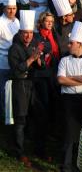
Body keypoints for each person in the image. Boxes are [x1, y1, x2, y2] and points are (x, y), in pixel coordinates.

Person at [56, 21, 82, 172]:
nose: (68, 46)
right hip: (68, 101)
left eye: (71, 43)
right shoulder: (64, 60)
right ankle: (66, 166)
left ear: (79, 44)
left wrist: (71, 79)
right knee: (68, 134)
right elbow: (60, 80)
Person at [8, 10, 43, 168]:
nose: (28, 36)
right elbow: (17, 70)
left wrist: (39, 60)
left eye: (30, 33)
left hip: (31, 86)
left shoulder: (33, 47)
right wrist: (31, 59)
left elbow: (38, 67)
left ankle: (35, 149)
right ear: (20, 33)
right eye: (25, 33)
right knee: (20, 119)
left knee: (35, 117)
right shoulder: (14, 49)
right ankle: (19, 151)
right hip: (19, 85)